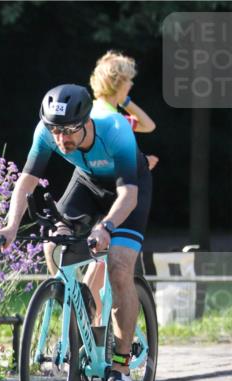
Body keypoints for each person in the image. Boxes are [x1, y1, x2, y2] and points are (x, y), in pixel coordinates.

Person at [0, 84, 152, 381]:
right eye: (55, 132)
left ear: (86, 121)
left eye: (69, 132)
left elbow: (128, 196)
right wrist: (11, 226)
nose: (62, 140)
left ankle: (120, 371)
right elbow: (27, 180)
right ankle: (76, 300)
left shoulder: (115, 129)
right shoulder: (46, 131)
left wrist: (106, 227)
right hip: (87, 184)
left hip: (127, 190)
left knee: (119, 267)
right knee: (53, 242)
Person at [84, 51, 157, 321]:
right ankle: (95, 325)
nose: (132, 85)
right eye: (129, 81)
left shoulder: (103, 112)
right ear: (119, 82)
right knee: (104, 261)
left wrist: (122, 99)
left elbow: (148, 126)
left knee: (98, 261)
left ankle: (90, 326)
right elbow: (149, 125)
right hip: (115, 192)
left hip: (101, 188)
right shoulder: (108, 117)